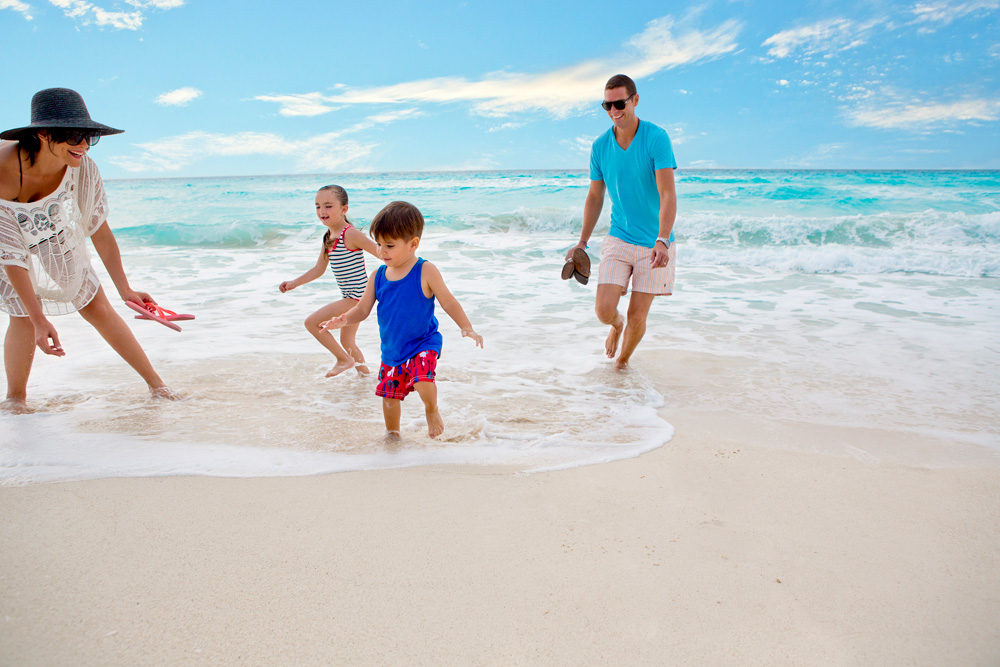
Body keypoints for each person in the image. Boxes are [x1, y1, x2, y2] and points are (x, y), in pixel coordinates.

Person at [0, 87, 178, 414]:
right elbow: (11, 256)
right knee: (23, 316)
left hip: (47, 228)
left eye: (89, 136)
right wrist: (40, 320)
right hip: (3, 231)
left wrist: (125, 288)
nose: (83, 145)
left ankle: (158, 387)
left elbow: (98, 228)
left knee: (97, 306)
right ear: (42, 133)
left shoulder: (82, 167)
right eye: (74, 135)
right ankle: (15, 402)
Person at [321, 201, 483, 439]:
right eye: (378, 244)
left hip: (422, 342)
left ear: (413, 244)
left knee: (423, 380)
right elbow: (362, 309)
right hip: (392, 350)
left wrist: (466, 327)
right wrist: (342, 320)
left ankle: (431, 409)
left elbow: (448, 301)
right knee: (388, 398)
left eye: (389, 245)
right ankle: (393, 434)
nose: (381, 251)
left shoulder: (425, 270)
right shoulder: (377, 276)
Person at [566, 73, 677, 371]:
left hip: (655, 244)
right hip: (619, 236)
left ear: (635, 100)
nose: (614, 110)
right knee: (604, 310)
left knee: (638, 315)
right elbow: (594, 196)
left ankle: (621, 366)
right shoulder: (600, 146)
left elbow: (668, 194)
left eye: (620, 103)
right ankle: (616, 326)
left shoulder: (656, 138)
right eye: (607, 105)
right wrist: (582, 242)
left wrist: (663, 238)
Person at [279, 185, 380, 377]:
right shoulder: (329, 237)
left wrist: (401, 271)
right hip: (352, 297)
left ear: (344, 209)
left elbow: (380, 253)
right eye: (317, 206)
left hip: (357, 298)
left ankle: (344, 360)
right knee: (348, 342)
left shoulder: (349, 234)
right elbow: (319, 269)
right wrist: (294, 283)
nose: (322, 211)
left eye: (328, 206)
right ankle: (366, 379)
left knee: (312, 323)